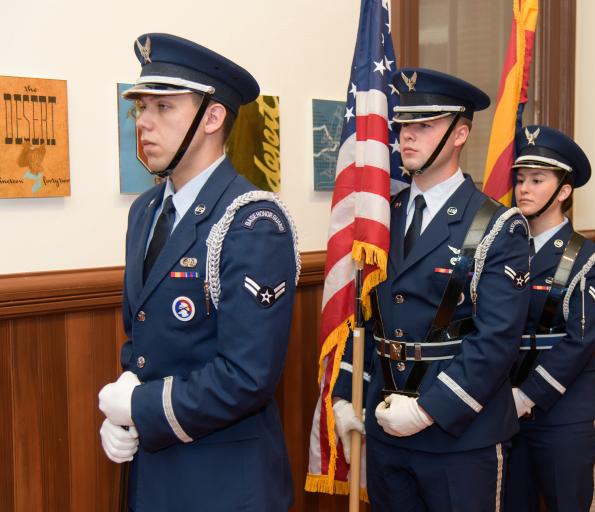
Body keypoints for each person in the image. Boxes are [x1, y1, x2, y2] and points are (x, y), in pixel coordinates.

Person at [97, 33, 299, 511]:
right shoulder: (145, 211)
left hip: (223, 481)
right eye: (142, 106)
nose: (143, 122)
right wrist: (126, 400)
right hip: (154, 471)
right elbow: (144, 338)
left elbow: (247, 376)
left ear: (212, 117)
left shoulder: (252, 221)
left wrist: (142, 408)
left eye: (163, 107)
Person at [332, 67, 531, 511]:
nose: (408, 137)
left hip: (459, 436)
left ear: (460, 134)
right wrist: (347, 395)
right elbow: (367, 314)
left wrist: (428, 409)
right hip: (384, 426)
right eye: (404, 125)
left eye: (425, 126)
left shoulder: (497, 226)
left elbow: (497, 340)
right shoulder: (384, 216)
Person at [504, 125, 595, 511]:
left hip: (567, 416)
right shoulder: (503, 253)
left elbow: (577, 343)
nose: (524, 189)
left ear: (564, 191)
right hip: (506, 412)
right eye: (520, 179)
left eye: (537, 180)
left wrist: (527, 395)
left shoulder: (593, 259)